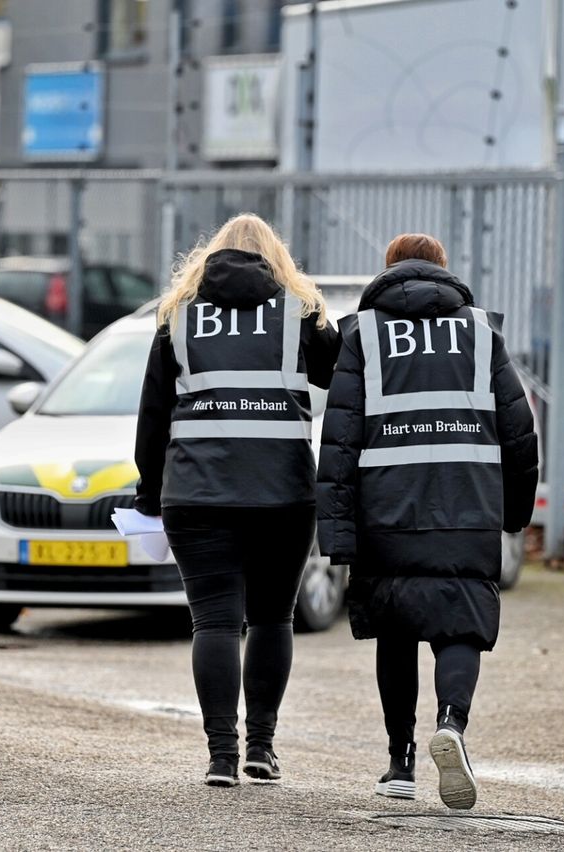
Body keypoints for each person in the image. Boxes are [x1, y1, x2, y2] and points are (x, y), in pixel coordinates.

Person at [317, 233, 538, 809]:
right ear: (444, 270)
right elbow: (519, 433)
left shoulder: (364, 334)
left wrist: (336, 530)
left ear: (388, 271)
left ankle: (400, 762)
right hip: (467, 505)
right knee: (460, 625)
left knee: (396, 629)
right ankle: (451, 724)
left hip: (387, 510)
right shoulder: (481, 332)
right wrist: (514, 513)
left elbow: (339, 438)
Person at [134, 213, 340, 787]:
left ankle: (221, 756)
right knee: (273, 618)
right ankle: (261, 748)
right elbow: (337, 373)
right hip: (283, 493)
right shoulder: (299, 311)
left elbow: (153, 412)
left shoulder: (177, 314)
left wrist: (149, 493)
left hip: (196, 493)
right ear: (277, 259)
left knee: (215, 623)